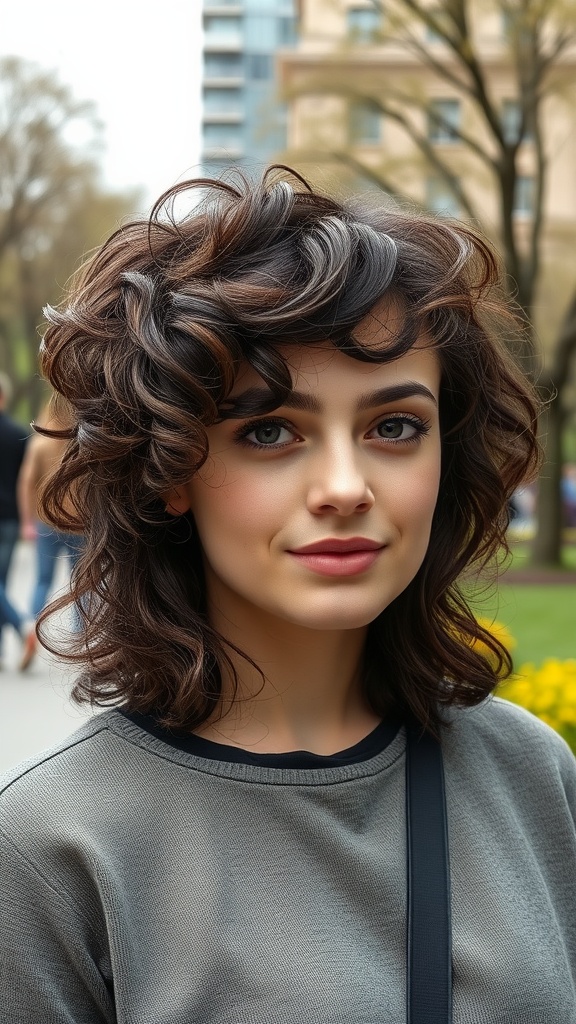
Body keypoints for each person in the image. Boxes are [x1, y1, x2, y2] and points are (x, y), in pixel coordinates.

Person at [1, 167, 575, 1023]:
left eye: (394, 427)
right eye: (269, 430)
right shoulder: (54, 847)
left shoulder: (532, 775)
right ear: (170, 473)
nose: (346, 486)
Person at [16, 400, 83, 669]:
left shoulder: (39, 443)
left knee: (42, 580)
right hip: (79, 523)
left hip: (47, 523)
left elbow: (26, 482)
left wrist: (27, 521)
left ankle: (32, 627)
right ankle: (80, 640)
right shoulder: (81, 445)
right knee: (81, 583)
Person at [0, 372, 29, 665]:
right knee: (2, 582)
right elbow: (25, 479)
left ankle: (21, 625)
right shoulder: (18, 435)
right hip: (9, 518)